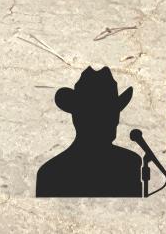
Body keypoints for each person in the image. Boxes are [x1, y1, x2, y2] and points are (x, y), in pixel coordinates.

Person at [36, 67, 145, 197]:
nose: (114, 121)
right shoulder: (128, 164)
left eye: (113, 114)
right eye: (105, 115)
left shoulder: (50, 173)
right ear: (79, 119)